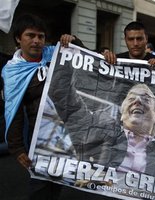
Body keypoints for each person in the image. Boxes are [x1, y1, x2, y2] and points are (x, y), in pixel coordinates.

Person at [1, 14, 84, 200]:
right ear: (18, 38)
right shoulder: (12, 71)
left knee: (58, 182)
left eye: (41, 36)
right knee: (39, 186)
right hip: (39, 137)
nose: (37, 41)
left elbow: (87, 60)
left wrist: (74, 41)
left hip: (66, 133)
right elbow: (13, 110)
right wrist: (17, 148)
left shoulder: (57, 54)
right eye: (31, 35)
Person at [49, 78, 155, 173]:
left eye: (146, 99)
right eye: (131, 98)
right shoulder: (98, 127)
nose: (137, 101)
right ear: (122, 114)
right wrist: (69, 56)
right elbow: (62, 93)